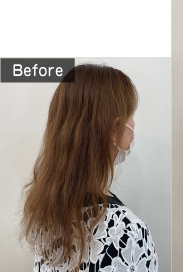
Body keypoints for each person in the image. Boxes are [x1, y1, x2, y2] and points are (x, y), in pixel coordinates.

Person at [20, 64, 158, 271]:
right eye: (131, 115)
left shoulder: (44, 217)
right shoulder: (129, 232)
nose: (134, 124)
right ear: (114, 129)